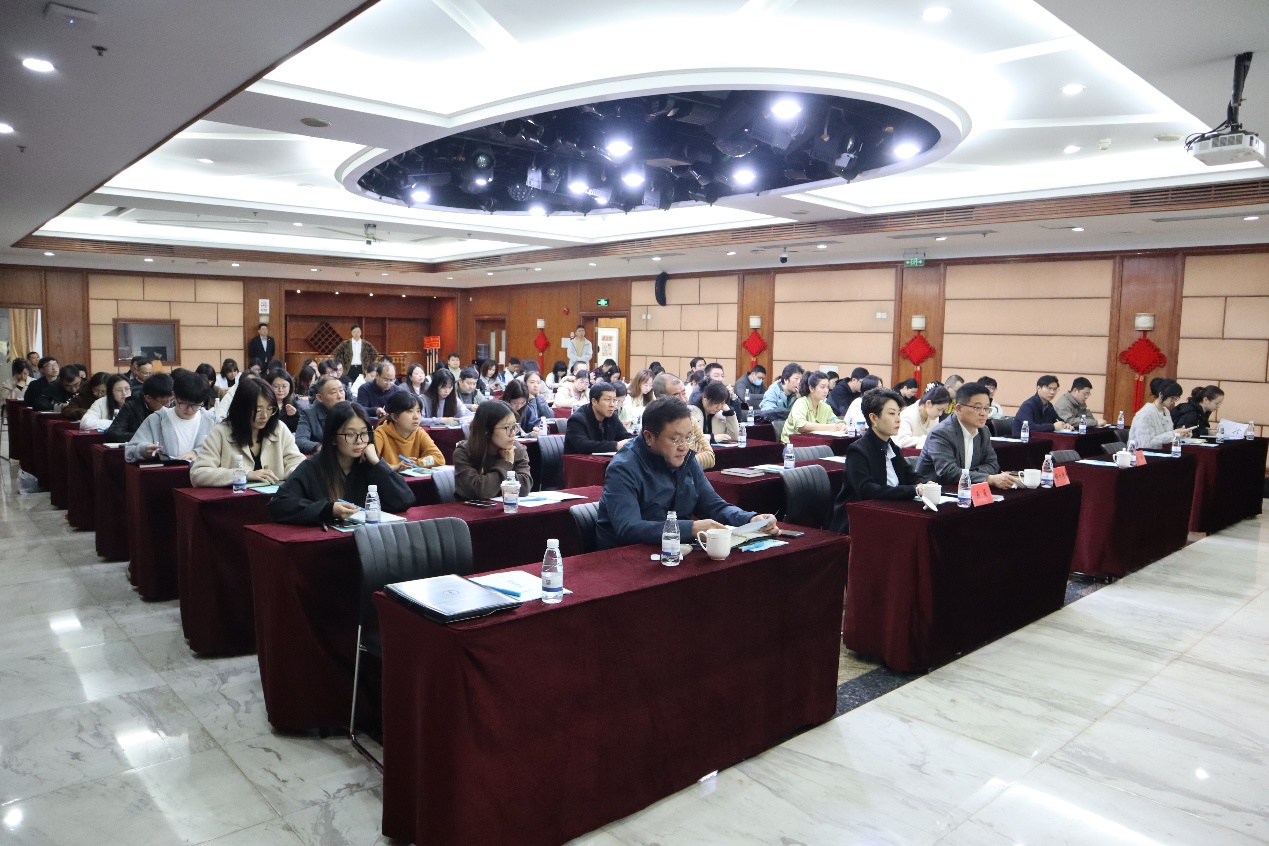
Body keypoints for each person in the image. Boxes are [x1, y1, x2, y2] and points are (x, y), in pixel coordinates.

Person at [593, 398, 780, 550]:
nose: (684, 447)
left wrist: (749, 519)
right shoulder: (624, 468)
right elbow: (629, 528)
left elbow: (714, 506)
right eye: (675, 439)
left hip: (673, 550)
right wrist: (691, 528)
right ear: (649, 437)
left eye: (688, 438)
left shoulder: (687, 460)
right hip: (623, 557)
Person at [269, 401, 414, 525]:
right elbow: (279, 505)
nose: (359, 441)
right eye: (350, 434)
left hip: (368, 541)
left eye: (364, 433)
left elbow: (405, 499)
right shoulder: (313, 467)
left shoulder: (370, 466)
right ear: (332, 438)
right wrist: (328, 509)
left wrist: (377, 462)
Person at [830, 388, 921, 533]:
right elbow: (866, 490)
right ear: (873, 418)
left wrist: (925, 484)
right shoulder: (858, 450)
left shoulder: (892, 447)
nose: (898, 419)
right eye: (891, 413)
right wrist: (913, 490)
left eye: (898, 413)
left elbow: (910, 476)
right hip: (860, 520)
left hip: (890, 511)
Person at [191, 375, 304, 487]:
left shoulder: (279, 429)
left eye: (270, 409)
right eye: (258, 410)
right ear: (242, 408)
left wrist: (295, 474)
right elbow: (198, 474)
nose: (265, 415)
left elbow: (297, 462)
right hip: (236, 498)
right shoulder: (220, 433)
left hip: (275, 497)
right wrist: (244, 474)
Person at [915, 382, 1016, 489]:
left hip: (964, 489)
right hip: (934, 491)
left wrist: (970, 474)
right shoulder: (941, 433)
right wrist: (987, 478)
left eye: (987, 408)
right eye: (977, 408)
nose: (983, 413)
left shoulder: (983, 431)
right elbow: (948, 473)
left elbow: (992, 464)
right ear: (959, 409)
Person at [125, 370, 216, 463]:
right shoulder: (156, 420)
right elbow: (130, 450)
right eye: (184, 404)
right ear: (174, 396)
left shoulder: (211, 420)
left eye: (196, 405)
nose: (189, 410)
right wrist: (144, 450)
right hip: (169, 471)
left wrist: (197, 453)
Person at [453, 400, 532, 500]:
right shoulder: (464, 452)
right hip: (471, 509)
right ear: (487, 430)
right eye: (507, 427)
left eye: (514, 427)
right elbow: (480, 491)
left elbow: (524, 487)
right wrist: (505, 463)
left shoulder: (517, 449)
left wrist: (495, 479)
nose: (512, 433)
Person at [651, 373, 716, 470]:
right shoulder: (654, 424)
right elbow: (667, 464)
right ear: (661, 398)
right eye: (676, 395)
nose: (683, 400)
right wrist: (692, 458)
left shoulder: (691, 421)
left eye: (684, 393)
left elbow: (710, 458)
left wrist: (687, 460)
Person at [373, 391, 445, 471]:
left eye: (418, 411)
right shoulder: (380, 434)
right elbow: (372, 463)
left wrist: (415, 463)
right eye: (410, 411)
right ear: (394, 417)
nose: (416, 417)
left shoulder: (419, 432)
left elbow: (439, 458)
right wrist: (396, 467)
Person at [564, 381, 633, 454]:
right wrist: (616, 446)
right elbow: (583, 445)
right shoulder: (577, 419)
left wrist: (633, 441)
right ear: (594, 401)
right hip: (579, 460)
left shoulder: (612, 416)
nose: (612, 405)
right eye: (608, 400)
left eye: (614, 400)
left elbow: (625, 436)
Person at [781, 370, 846, 443]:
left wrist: (842, 425)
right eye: (822, 387)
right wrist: (828, 427)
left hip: (814, 443)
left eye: (827, 387)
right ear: (811, 388)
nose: (826, 391)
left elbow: (835, 421)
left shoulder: (825, 406)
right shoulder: (801, 403)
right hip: (792, 445)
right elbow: (801, 426)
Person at [106, 372, 174, 442]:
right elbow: (112, 434)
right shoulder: (131, 407)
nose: (168, 405)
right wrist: (143, 436)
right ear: (148, 398)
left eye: (171, 400)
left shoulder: (176, 405)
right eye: (164, 402)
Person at [1129, 378, 1192, 449]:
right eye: (1172, 398)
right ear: (1161, 395)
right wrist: (1172, 434)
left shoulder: (1165, 411)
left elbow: (1166, 438)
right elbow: (1145, 445)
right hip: (1141, 453)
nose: (1173, 401)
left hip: (1161, 452)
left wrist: (1180, 434)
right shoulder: (1146, 414)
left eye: (1176, 398)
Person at [295, 375, 346, 454]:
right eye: (333, 392)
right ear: (320, 397)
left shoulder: (353, 411)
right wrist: (320, 447)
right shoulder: (309, 415)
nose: (340, 396)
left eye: (341, 390)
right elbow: (300, 441)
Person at [895, 384, 949, 450]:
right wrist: (926, 439)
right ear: (928, 403)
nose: (940, 414)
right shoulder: (908, 415)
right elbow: (901, 441)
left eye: (943, 411)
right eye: (939, 409)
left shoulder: (934, 417)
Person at [691, 379, 741, 443]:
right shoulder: (692, 412)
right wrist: (712, 438)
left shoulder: (720, 414)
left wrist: (730, 414)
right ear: (704, 398)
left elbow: (734, 438)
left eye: (722, 403)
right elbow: (690, 438)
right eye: (716, 403)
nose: (719, 407)